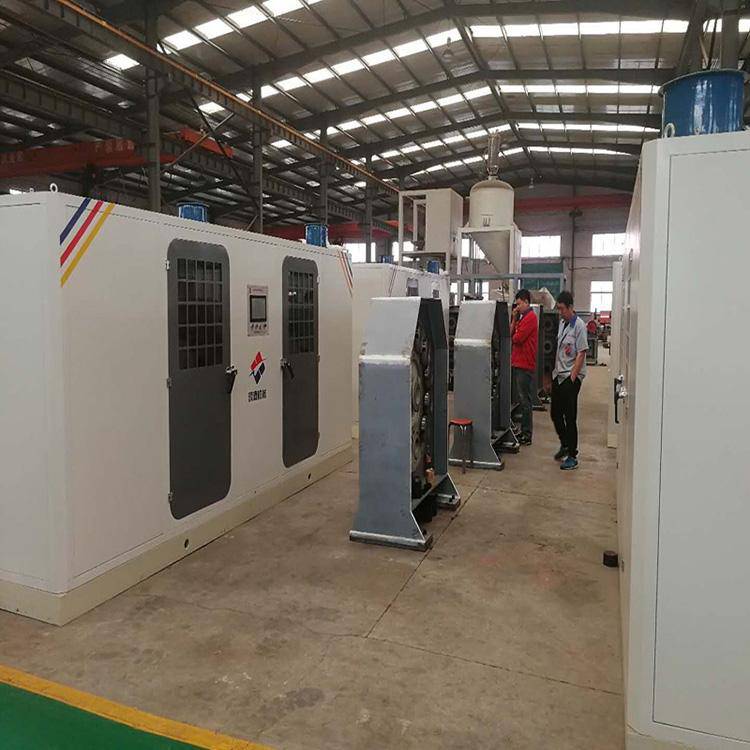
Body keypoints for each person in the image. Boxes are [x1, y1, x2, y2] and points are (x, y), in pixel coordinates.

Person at [551, 290, 588, 470]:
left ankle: (572, 456)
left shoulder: (579, 325)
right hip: (559, 375)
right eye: (558, 309)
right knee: (555, 413)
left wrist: (572, 378)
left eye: (562, 309)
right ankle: (565, 443)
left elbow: (581, 353)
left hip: (571, 377)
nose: (560, 312)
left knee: (569, 416)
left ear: (571, 307)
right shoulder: (562, 324)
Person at [510, 289, 538, 446]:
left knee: (525, 401)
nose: (517, 307)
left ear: (527, 302)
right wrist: (514, 319)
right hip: (519, 362)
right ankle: (524, 431)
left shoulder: (530, 318)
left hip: (525, 364)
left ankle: (527, 434)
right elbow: (511, 333)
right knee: (522, 400)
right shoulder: (522, 318)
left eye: (519, 304)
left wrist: (515, 326)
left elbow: (517, 338)